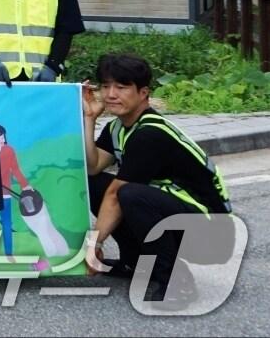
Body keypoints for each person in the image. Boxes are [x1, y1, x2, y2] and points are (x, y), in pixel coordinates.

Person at [83, 53, 232, 304]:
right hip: (181, 217)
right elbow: (93, 167)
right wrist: (89, 119)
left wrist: (92, 245)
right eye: (106, 86)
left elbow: (116, 196)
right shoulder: (118, 127)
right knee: (94, 184)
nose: (110, 94)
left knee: (129, 194)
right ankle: (135, 263)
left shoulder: (150, 134)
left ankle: (176, 281)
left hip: (211, 232)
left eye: (121, 87)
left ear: (143, 93)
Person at [0, 122, 40, 271]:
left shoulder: (9, 150)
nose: (3, 138)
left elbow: (15, 169)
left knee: (7, 223)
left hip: (5, 194)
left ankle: (9, 254)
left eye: (3, 135)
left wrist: (25, 185)